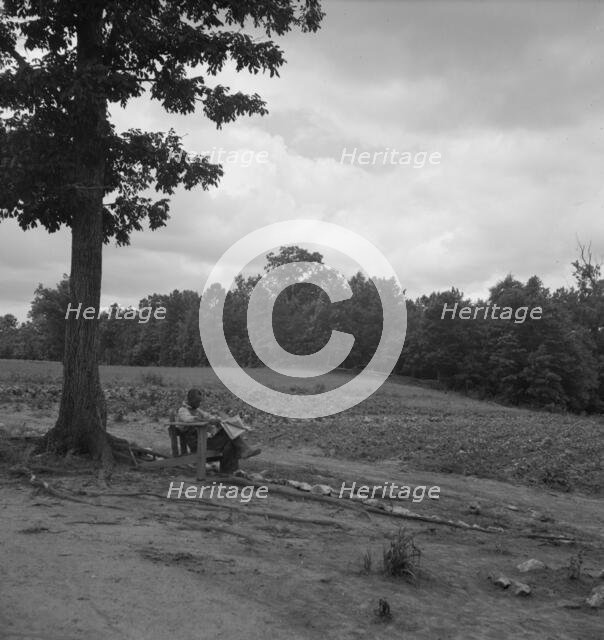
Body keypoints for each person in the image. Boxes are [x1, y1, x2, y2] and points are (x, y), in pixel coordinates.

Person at [177, 388, 260, 474]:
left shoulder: (197, 410)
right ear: (190, 399)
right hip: (197, 445)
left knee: (229, 442)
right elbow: (188, 420)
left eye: (199, 402)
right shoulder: (183, 410)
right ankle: (244, 450)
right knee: (227, 433)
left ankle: (228, 471)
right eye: (197, 402)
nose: (199, 404)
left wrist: (218, 420)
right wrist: (206, 421)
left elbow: (208, 416)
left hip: (205, 441)